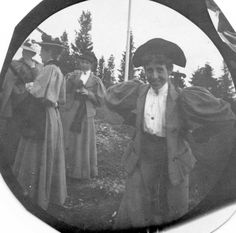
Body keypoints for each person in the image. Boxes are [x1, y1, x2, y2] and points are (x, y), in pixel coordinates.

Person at [105, 38, 236, 229]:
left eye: (160, 70)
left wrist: (203, 133)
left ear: (170, 71)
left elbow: (225, 114)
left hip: (173, 157)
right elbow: (110, 97)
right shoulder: (138, 92)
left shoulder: (184, 98)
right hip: (143, 156)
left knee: (171, 208)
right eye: (149, 70)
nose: (154, 76)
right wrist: (130, 118)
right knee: (136, 205)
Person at [12, 33, 67, 210]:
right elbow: (61, 97)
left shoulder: (50, 69)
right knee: (46, 152)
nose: (40, 53)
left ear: (50, 51)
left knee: (35, 149)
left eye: (43, 49)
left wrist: (29, 87)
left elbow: (40, 94)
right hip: (52, 115)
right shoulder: (58, 70)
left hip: (42, 113)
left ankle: (34, 192)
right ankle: (44, 191)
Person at [60, 51, 106, 180]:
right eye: (82, 62)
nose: (83, 64)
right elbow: (65, 90)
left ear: (92, 65)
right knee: (70, 138)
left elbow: (101, 100)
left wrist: (89, 94)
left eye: (86, 62)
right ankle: (67, 169)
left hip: (86, 112)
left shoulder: (96, 81)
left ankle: (82, 171)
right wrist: (71, 83)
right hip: (72, 110)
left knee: (83, 140)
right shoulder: (72, 75)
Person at [0, 39, 42, 165]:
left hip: (29, 102)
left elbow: (40, 81)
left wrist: (32, 66)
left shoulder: (38, 66)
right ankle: (6, 160)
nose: (26, 53)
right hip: (13, 102)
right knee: (10, 131)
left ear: (34, 54)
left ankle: (18, 161)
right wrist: (15, 90)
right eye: (24, 50)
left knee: (23, 132)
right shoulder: (13, 63)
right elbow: (6, 81)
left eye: (29, 52)